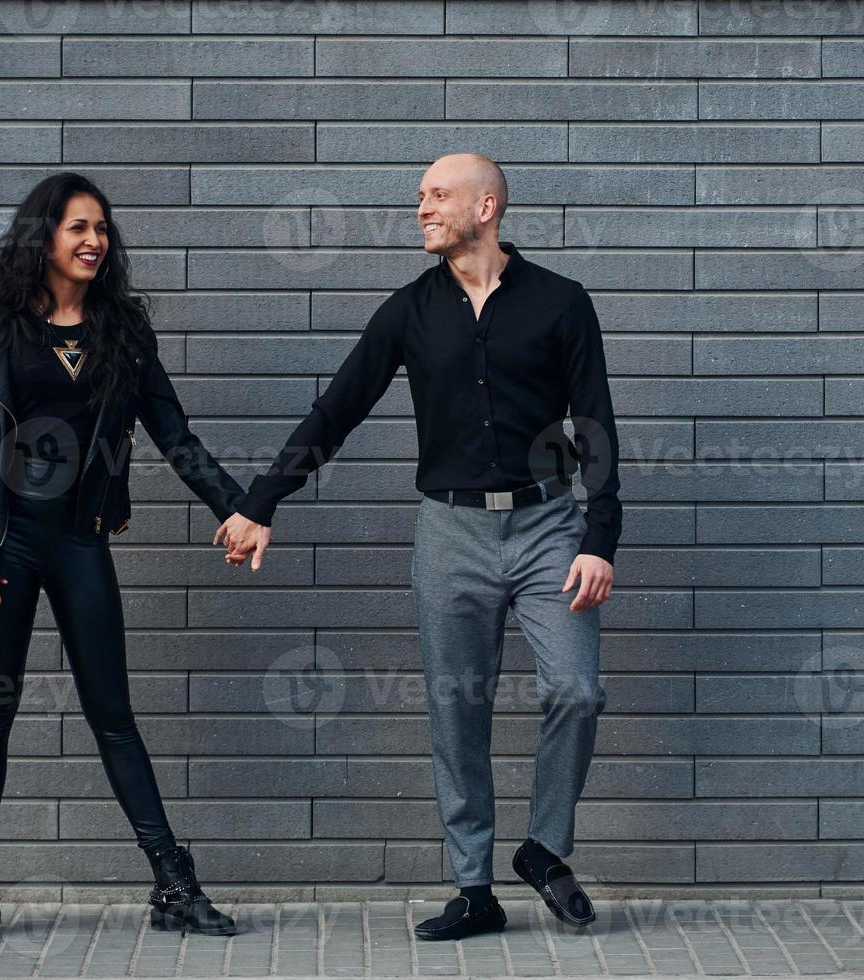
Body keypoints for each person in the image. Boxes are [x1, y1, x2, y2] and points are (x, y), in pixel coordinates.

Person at [215, 153, 621, 940]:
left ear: (488, 205)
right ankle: (474, 890)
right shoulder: (408, 312)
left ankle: (543, 848)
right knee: (455, 710)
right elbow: (335, 411)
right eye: (420, 198)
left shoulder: (562, 304)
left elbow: (594, 427)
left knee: (576, 688)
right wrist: (263, 502)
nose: (423, 210)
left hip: (548, 529)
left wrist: (600, 536)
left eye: (438, 196)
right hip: (450, 531)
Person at [0, 172, 242, 940]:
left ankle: (173, 883)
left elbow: (175, 434)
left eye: (101, 228)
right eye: (78, 227)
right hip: (7, 546)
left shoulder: (123, 332)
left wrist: (238, 507)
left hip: (80, 541)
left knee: (113, 714)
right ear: (42, 236)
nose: (94, 241)